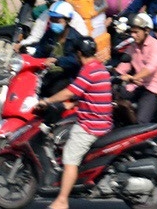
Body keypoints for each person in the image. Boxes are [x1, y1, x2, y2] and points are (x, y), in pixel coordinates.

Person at [43, 37, 112, 209]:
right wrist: (74, 104)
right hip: (103, 121)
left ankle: (62, 200)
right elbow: (90, 94)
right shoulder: (100, 68)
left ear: (78, 54)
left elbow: (70, 91)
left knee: (69, 158)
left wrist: (48, 101)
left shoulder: (88, 70)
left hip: (91, 125)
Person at [115, 14, 157, 124]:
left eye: (136, 32)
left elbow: (150, 68)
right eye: (132, 32)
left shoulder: (156, 46)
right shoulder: (132, 47)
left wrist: (133, 78)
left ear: (147, 31)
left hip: (154, 87)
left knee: (141, 121)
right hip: (138, 85)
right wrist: (114, 75)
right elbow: (124, 66)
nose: (133, 35)